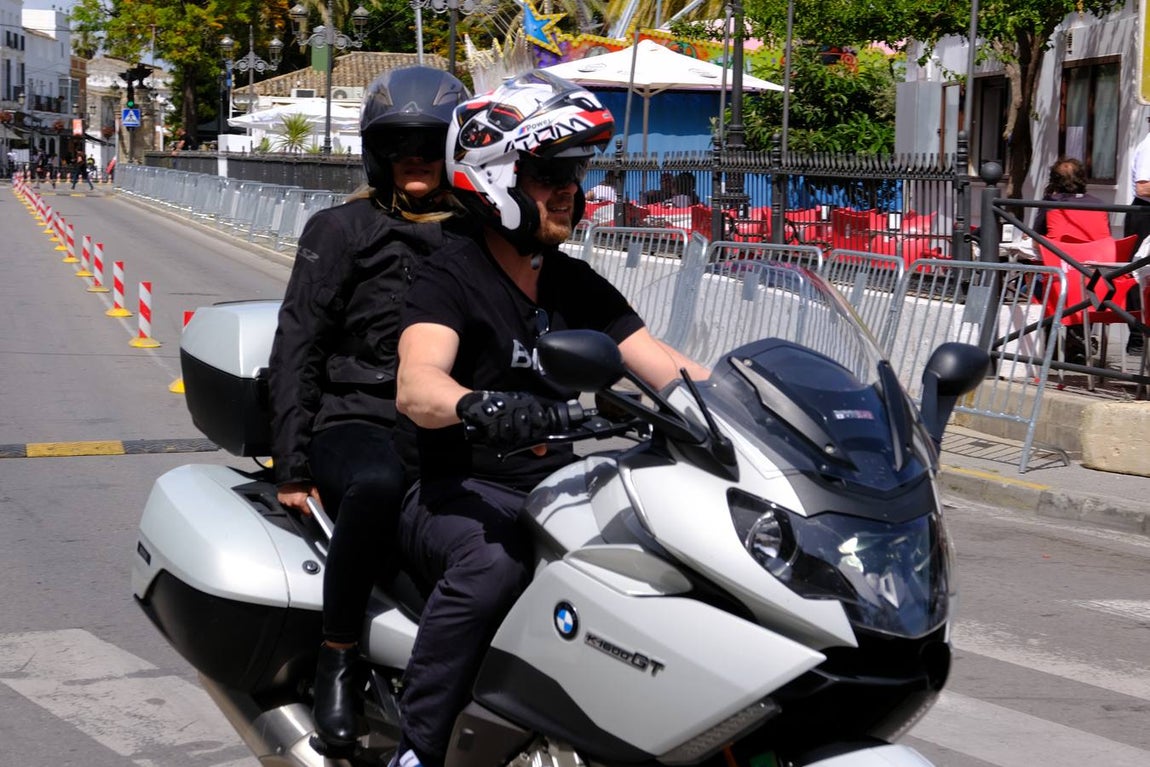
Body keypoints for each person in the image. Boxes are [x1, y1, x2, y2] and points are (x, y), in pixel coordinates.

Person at [392, 71, 709, 767]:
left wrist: (761, 403)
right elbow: (416, 384)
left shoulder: (572, 281)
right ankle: (418, 748)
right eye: (548, 172)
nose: (572, 186)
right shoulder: (451, 274)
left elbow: (662, 363)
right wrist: (477, 404)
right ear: (496, 177)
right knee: (493, 569)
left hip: (564, 487)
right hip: (461, 491)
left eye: (576, 170)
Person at [266, 66, 470, 757]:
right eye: (399, 142)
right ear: (376, 151)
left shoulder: (477, 236)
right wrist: (291, 465)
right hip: (353, 418)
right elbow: (298, 344)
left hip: (442, 417)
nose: (414, 155)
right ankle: (338, 653)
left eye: (429, 140)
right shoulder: (341, 229)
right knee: (380, 481)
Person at [1032, 156, 1105, 238]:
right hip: (1096, 249)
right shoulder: (1100, 205)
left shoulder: (1050, 203)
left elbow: (1037, 236)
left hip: (1059, 249)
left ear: (1054, 182)